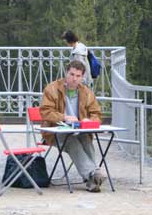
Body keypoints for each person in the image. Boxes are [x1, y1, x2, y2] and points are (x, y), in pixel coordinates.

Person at [40, 61, 105, 192]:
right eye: (72, 74)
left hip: (80, 130)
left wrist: (89, 120)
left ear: (82, 77)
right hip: (55, 132)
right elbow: (45, 112)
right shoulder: (51, 89)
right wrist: (63, 117)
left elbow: (97, 114)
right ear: (66, 73)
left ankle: (92, 179)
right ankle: (93, 173)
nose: (74, 78)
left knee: (86, 139)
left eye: (78, 76)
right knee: (71, 141)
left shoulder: (87, 92)